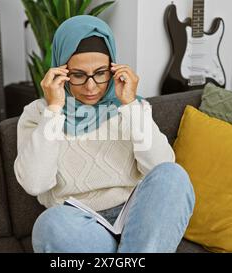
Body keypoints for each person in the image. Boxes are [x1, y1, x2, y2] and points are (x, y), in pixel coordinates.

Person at [14, 15, 195, 253]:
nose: (91, 87)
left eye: (100, 73)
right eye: (78, 75)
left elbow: (161, 168)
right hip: (82, 226)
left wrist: (130, 105)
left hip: (138, 218)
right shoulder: (38, 114)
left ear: (113, 69)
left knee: (174, 175)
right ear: (60, 71)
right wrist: (54, 109)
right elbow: (35, 183)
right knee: (49, 225)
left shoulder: (131, 106)